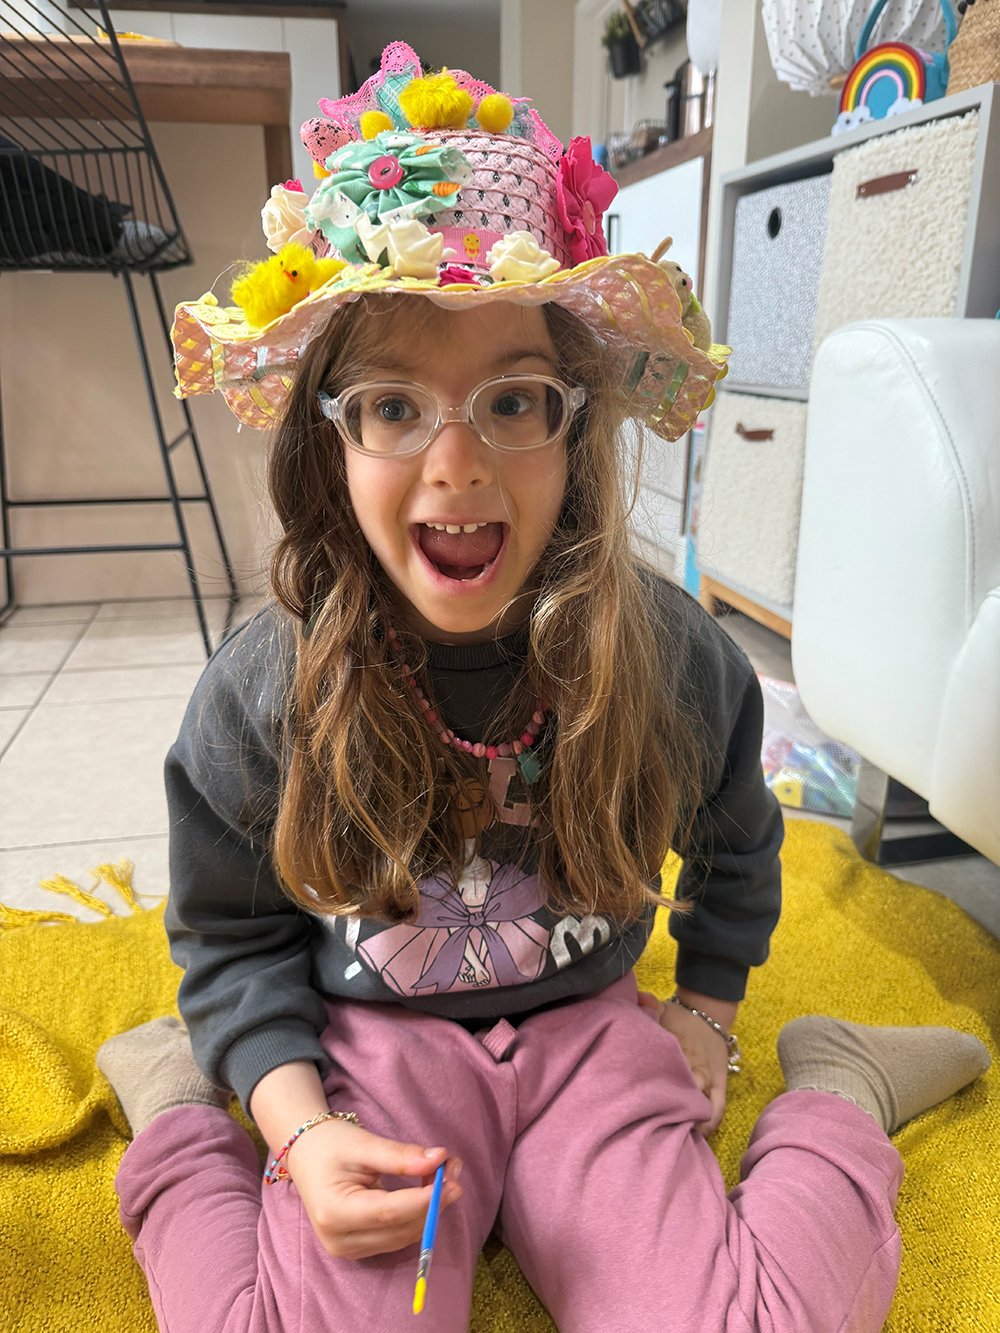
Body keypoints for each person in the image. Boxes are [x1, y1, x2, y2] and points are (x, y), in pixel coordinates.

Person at [97, 42, 989, 1333]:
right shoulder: (263, 692)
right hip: (374, 1062)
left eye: (513, 400)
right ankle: (181, 1106)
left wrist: (709, 1011)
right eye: (395, 406)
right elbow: (229, 935)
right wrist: (284, 1123)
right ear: (327, 437)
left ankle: (839, 1085)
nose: (456, 464)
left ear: (579, 428)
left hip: (591, 1040)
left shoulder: (670, 655)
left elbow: (739, 845)